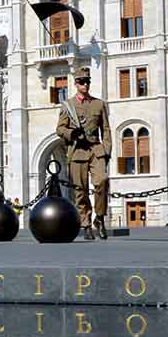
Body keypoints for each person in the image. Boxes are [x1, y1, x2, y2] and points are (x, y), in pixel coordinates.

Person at [56, 64, 111, 240]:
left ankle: (100, 218)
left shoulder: (99, 104)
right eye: (81, 82)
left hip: (96, 149)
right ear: (76, 84)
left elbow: (107, 130)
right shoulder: (68, 106)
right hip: (77, 151)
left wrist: (106, 151)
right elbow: (59, 129)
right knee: (81, 191)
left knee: (102, 181)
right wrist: (71, 133)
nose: (85, 85)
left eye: (87, 82)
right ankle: (86, 223)